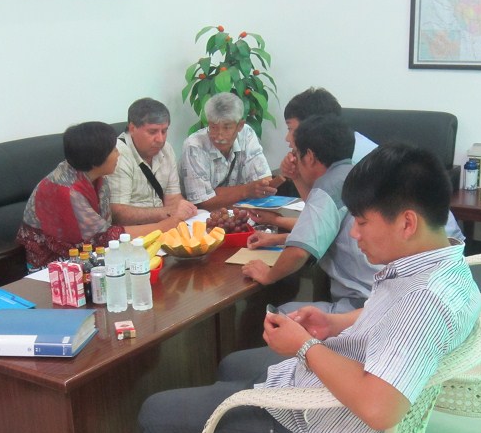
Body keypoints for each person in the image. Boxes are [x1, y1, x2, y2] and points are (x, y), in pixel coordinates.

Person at [139, 143, 481, 433]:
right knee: (232, 365)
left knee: (155, 416)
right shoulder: (442, 264)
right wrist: (333, 323)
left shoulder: (422, 303)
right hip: (338, 386)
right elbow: (386, 318)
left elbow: (379, 407)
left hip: (327, 428)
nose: (354, 234)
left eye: (362, 222)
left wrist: (304, 347)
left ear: (407, 222)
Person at [249, 87, 463, 242]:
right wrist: (297, 176)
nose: (288, 138)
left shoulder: (352, 162)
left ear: (313, 126)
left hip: (428, 248)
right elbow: (320, 214)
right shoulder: (342, 146)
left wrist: (277, 221)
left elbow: (323, 225)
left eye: (291, 129)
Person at [242, 114, 372, 314]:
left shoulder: (328, 188)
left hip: (363, 305)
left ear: (309, 156)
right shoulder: (354, 175)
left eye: (296, 152)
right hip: (382, 297)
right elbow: (323, 230)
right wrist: (278, 239)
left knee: (280, 317)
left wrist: (268, 275)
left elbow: (299, 251)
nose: (293, 158)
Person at [16, 121, 182, 269]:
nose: (119, 154)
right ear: (96, 158)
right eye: (114, 150)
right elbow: (103, 237)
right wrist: (163, 226)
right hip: (53, 267)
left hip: (94, 255)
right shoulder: (66, 191)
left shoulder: (96, 175)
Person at [180, 92, 282, 210]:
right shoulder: (194, 146)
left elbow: (264, 182)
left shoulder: (247, 134)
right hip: (205, 215)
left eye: (227, 127)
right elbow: (203, 202)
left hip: (239, 211)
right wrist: (246, 190)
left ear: (240, 125)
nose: (219, 136)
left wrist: (218, 193)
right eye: (213, 127)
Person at [107, 98, 198, 225]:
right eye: (152, 132)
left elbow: (173, 198)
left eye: (164, 131)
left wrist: (185, 209)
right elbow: (118, 214)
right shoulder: (117, 154)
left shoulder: (166, 149)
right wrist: (167, 212)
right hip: (134, 231)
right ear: (132, 128)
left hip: (164, 225)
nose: (160, 139)